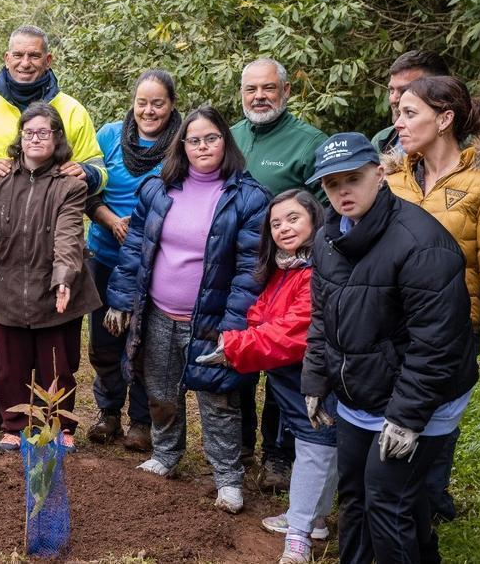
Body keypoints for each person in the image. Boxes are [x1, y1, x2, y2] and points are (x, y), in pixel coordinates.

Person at [302, 132, 477, 564]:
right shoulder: (328, 238)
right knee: (357, 494)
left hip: (422, 397)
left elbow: (437, 345)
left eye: (352, 179)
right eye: (331, 183)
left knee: (387, 502)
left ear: (379, 175)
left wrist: (405, 417)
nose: (342, 191)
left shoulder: (421, 244)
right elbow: (323, 317)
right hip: (362, 391)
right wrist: (315, 377)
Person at [104, 104, 270, 515]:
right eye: (193, 140)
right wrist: (122, 299)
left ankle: (228, 479)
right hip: (158, 311)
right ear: (182, 145)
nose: (202, 146)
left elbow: (251, 270)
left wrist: (234, 327)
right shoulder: (158, 188)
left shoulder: (249, 197)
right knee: (160, 390)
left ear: (225, 142)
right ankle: (165, 454)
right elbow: (135, 247)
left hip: (212, 319)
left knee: (218, 399)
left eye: (211, 138)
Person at [384, 75, 480, 521]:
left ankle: (424, 522)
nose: (399, 123)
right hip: (390, 329)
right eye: (398, 113)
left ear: (445, 119)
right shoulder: (393, 179)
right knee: (390, 435)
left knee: (431, 441)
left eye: (410, 113)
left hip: (450, 332)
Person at [0, 24, 105, 435]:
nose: (25, 63)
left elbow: (95, 168)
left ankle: (55, 424)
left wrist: (85, 173)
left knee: (55, 350)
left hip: (50, 241)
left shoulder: (72, 110)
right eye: (18, 55)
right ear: (6, 58)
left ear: (47, 59)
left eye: (34, 56)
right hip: (3, 246)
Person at [195, 189, 335, 563]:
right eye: (275, 223)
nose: (284, 228)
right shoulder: (288, 268)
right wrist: (244, 335)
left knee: (315, 448)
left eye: (293, 219)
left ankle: (301, 532)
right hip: (289, 377)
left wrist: (235, 347)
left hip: (312, 376)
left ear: (314, 219)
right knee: (317, 445)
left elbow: (295, 330)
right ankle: (314, 518)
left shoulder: (317, 270)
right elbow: (263, 313)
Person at [230, 57, 327, 488]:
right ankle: (240, 443)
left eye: (268, 88)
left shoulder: (308, 142)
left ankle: (279, 454)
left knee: (283, 363)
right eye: (251, 89)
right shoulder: (231, 136)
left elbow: (326, 212)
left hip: (290, 270)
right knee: (241, 352)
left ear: (285, 92)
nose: (259, 97)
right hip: (238, 268)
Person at [84, 69, 180, 451]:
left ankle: (141, 422)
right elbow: (87, 188)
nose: (149, 110)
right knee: (104, 341)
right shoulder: (108, 136)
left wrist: (145, 230)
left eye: (158, 103)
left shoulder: (181, 143)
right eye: (142, 102)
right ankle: (108, 413)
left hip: (156, 262)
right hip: (105, 253)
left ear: (171, 104)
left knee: (144, 343)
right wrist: (111, 221)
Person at [371, 50, 450, 154]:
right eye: (391, 90)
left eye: (405, 90)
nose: (393, 99)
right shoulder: (382, 141)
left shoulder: (472, 146)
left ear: (439, 92)